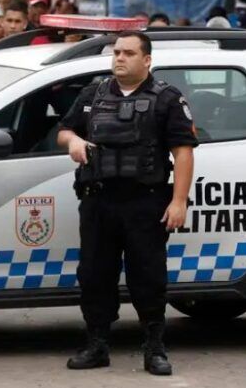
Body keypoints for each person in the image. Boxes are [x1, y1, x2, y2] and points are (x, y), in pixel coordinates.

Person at [56, 31, 197, 377]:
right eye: (117, 52)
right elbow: (62, 130)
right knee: (93, 275)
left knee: (148, 277)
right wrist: (73, 140)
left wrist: (179, 201)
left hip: (144, 203)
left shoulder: (166, 98)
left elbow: (183, 152)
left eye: (129, 53)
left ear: (146, 60)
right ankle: (97, 344)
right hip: (98, 201)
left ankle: (154, 348)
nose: (119, 58)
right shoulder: (94, 93)